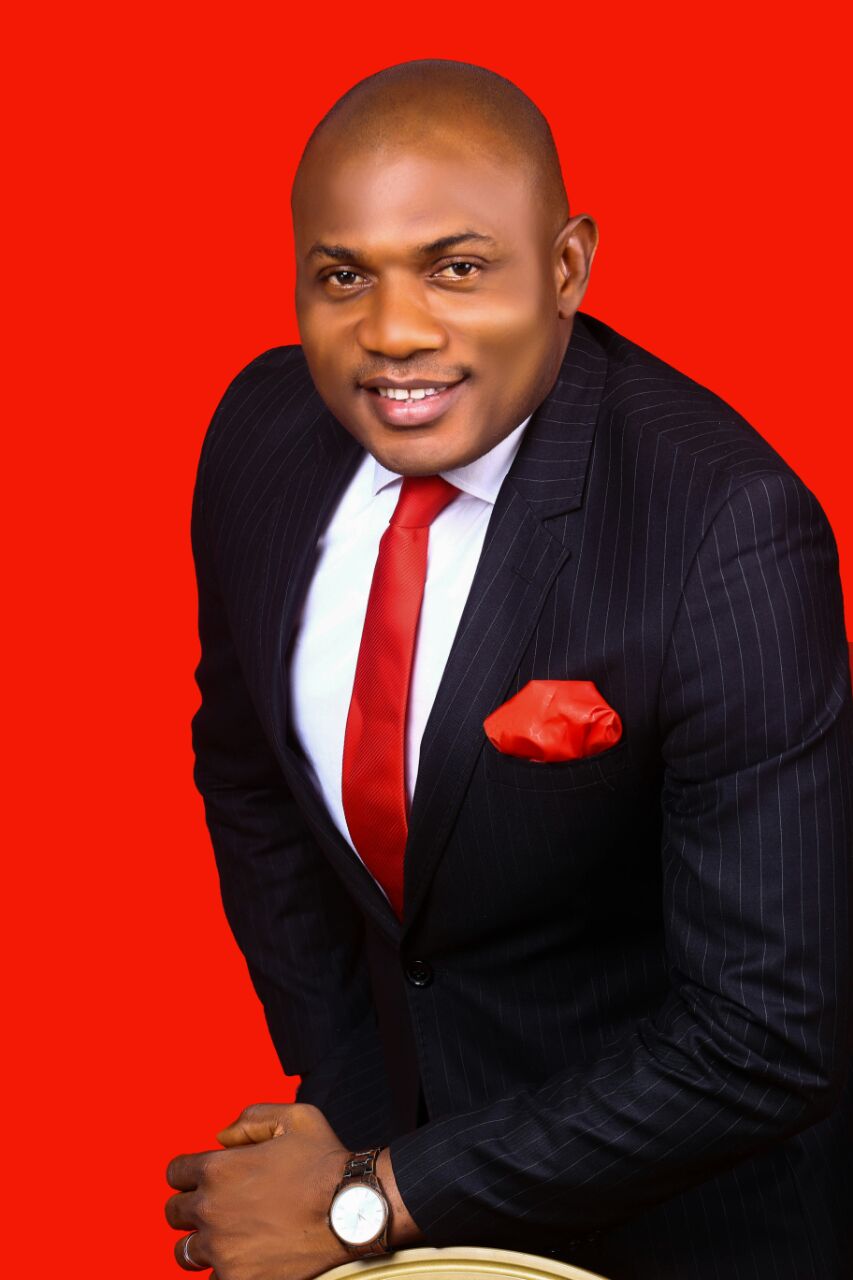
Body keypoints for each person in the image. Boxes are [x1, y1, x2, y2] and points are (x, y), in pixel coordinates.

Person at [165, 59, 853, 1280]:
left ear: (568, 267)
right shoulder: (261, 435)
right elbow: (249, 780)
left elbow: (763, 1035)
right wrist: (355, 1127)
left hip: (687, 1227)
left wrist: (371, 1196)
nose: (392, 331)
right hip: (395, 1198)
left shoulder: (725, 529)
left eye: (456, 268)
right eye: (342, 276)